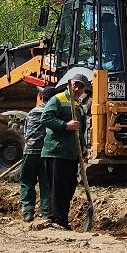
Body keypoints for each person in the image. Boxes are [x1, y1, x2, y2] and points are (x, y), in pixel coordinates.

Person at [37, 68, 91, 228]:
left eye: (81, 87)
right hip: (56, 152)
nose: (77, 89)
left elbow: (80, 129)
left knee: (69, 187)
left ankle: (61, 217)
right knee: (58, 187)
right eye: (75, 85)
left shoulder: (79, 106)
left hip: (71, 153)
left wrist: (83, 145)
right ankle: (57, 219)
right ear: (69, 85)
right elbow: (45, 118)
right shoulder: (58, 100)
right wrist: (64, 125)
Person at [18, 81, 61, 221]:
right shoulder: (55, 113)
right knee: (46, 183)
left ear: (42, 97)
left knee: (27, 181)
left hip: (30, 151)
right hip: (46, 153)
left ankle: (27, 212)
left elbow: (25, 133)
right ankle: (46, 214)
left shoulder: (31, 113)